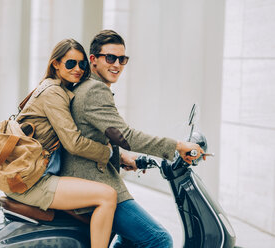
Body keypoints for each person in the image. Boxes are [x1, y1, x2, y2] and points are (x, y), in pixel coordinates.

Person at [60, 30, 205, 248]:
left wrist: (123, 158)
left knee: (130, 239)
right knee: (159, 239)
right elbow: (125, 136)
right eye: (110, 58)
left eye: (122, 59)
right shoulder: (95, 91)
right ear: (93, 60)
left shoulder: (88, 87)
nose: (117, 64)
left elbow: (95, 136)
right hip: (94, 185)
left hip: (88, 179)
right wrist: (176, 146)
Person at [8, 38, 117, 248]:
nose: (77, 69)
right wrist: (108, 153)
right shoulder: (54, 92)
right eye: (70, 63)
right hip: (32, 182)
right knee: (107, 196)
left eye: (81, 64)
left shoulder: (54, 87)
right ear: (55, 64)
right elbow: (74, 142)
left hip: (30, 176)